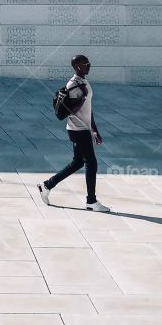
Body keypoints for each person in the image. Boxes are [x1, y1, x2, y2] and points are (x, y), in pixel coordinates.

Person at [38, 54, 110, 212]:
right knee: (92, 163)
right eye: (86, 64)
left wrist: (95, 130)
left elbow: (88, 109)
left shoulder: (83, 81)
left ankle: (47, 185)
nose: (89, 66)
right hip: (77, 130)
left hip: (84, 129)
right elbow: (71, 110)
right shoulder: (73, 84)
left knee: (77, 162)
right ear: (78, 66)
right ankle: (91, 201)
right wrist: (82, 97)